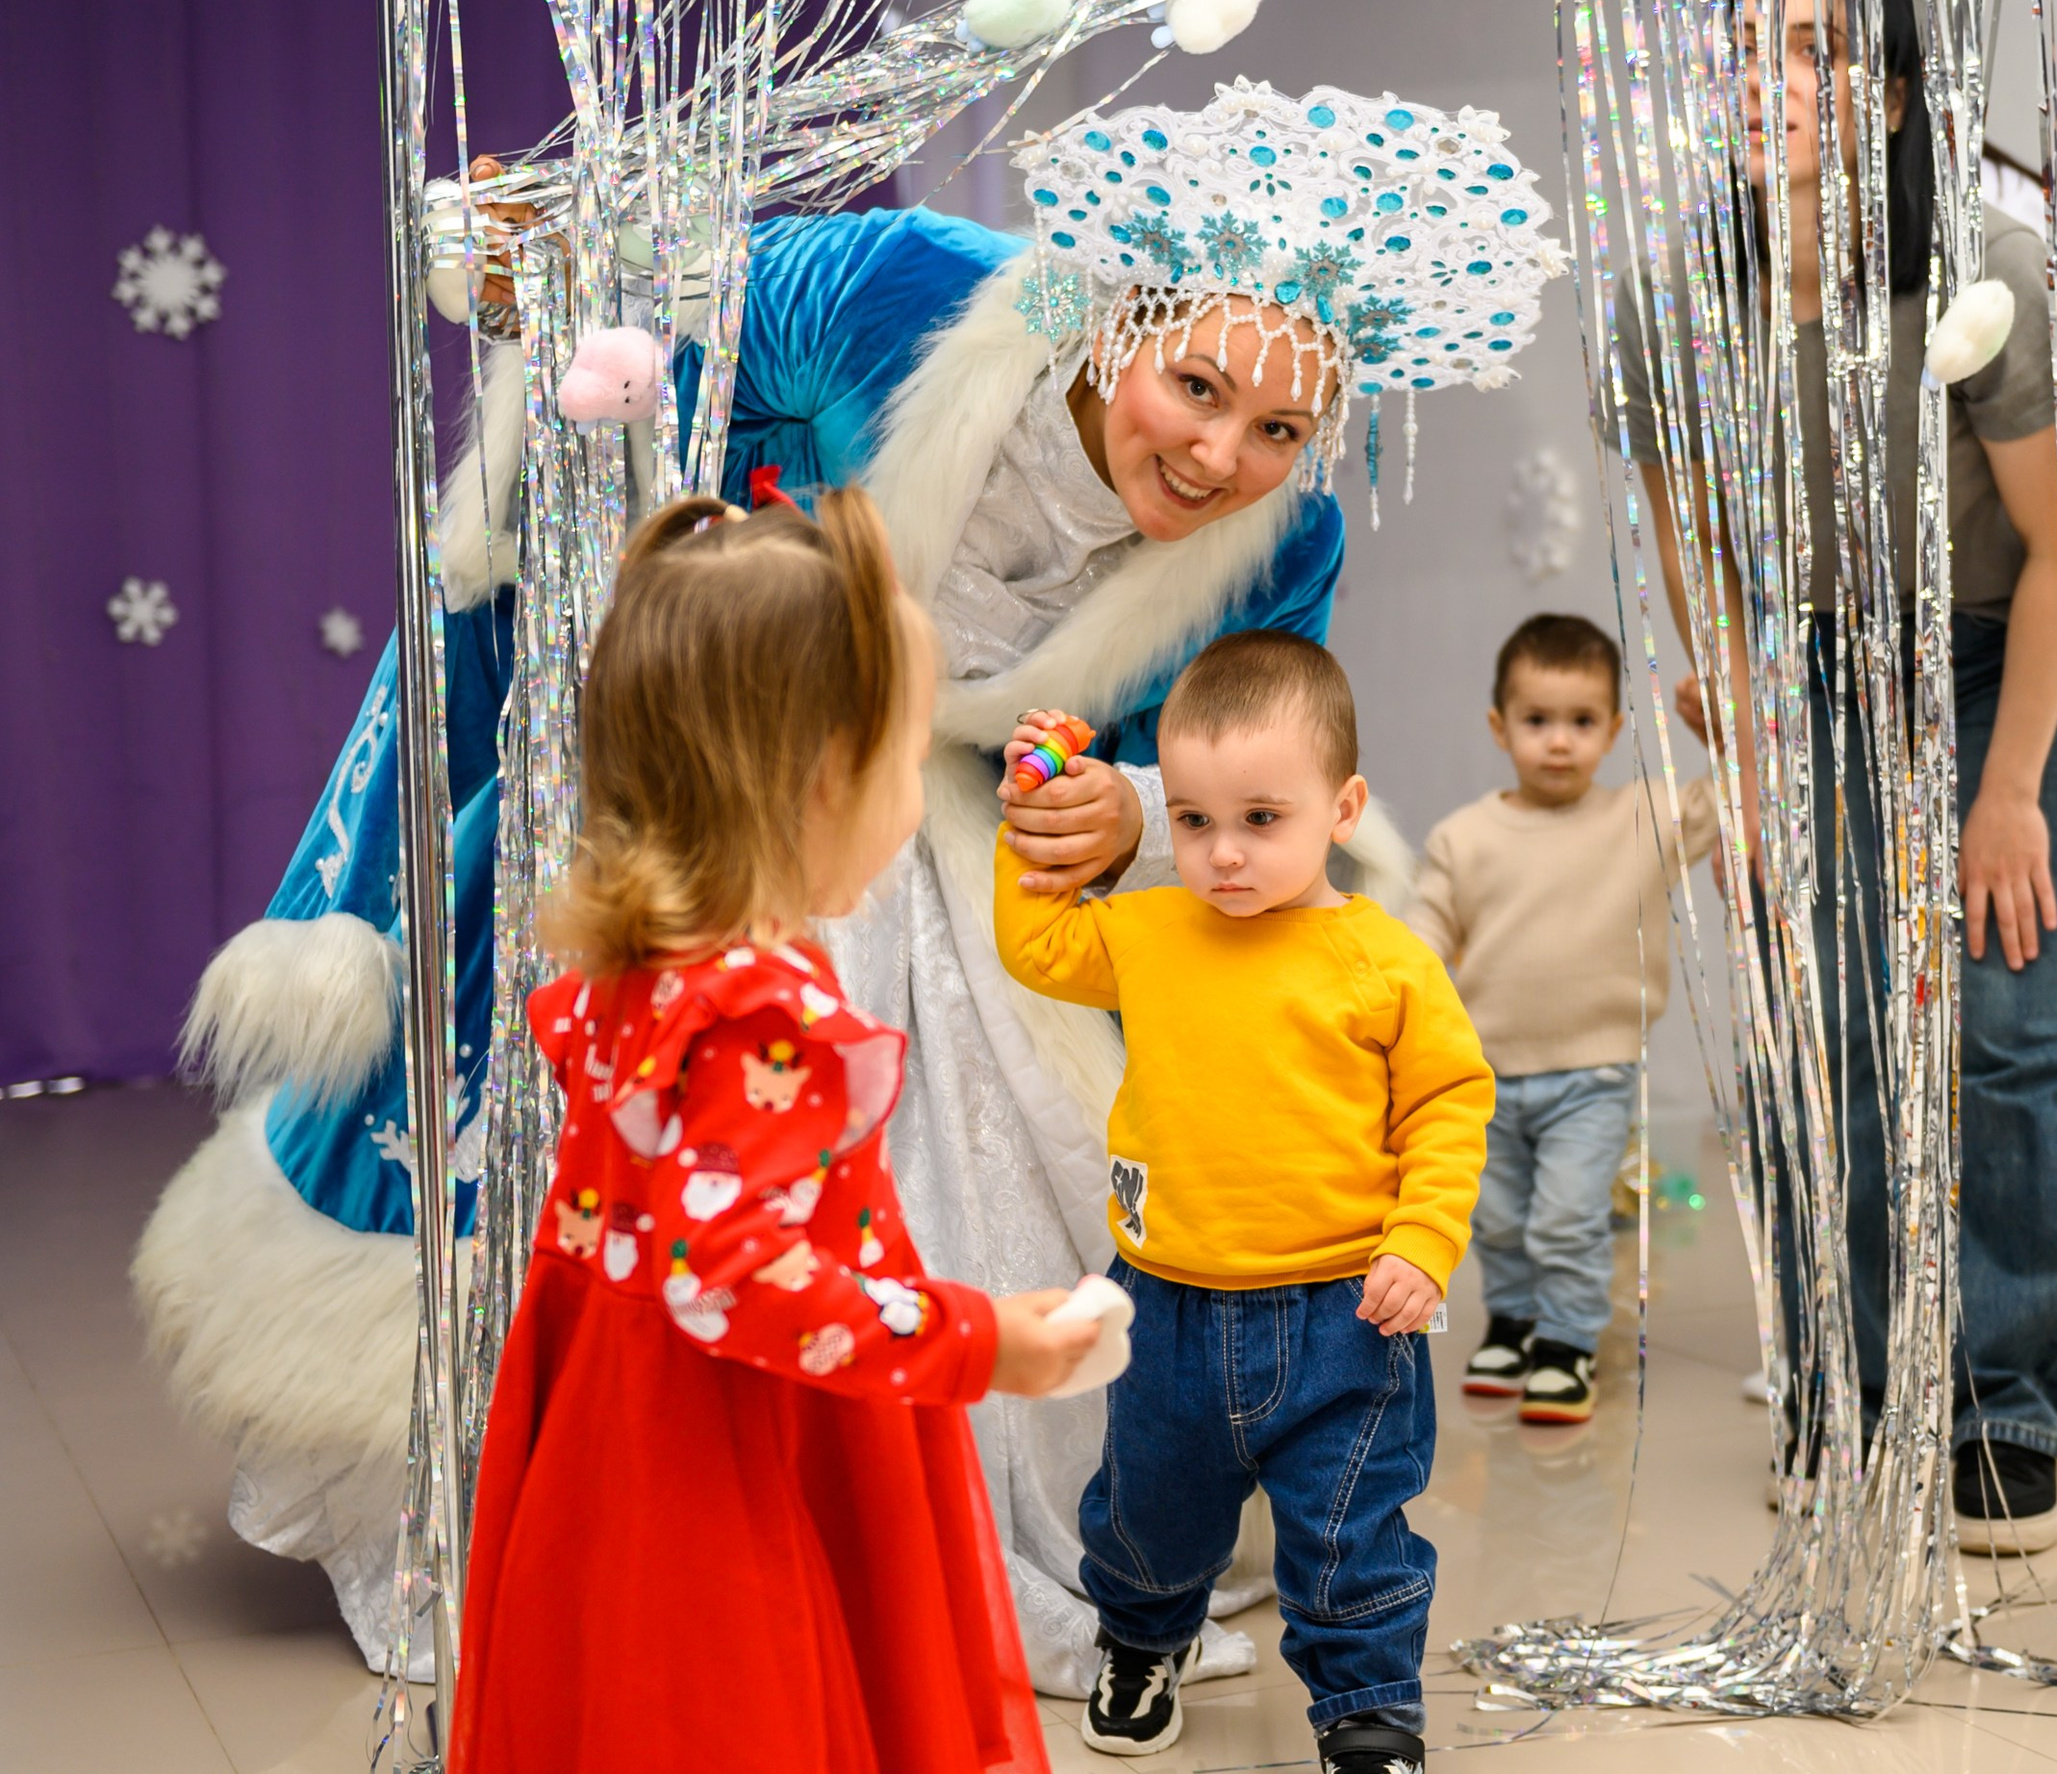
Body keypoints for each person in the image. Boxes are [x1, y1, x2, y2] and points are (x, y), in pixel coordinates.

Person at [136, 81, 1562, 1684]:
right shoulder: (901, 291)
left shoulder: (1275, 547)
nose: (1225, 453)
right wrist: (554, 283)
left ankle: (928, 1538)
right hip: (716, 777)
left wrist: (1137, 805)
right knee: (644, 1174)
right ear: (1114, 322)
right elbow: (637, 344)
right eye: (1199, 386)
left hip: (921, 831)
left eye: (1281, 430)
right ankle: (577, 1514)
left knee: (1004, 1149)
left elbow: (1252, 748)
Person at [454, 487, 1099, 1772]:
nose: (915, 803)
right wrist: (986, 1340)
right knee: (742, 1708)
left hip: (616, 1438)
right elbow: (741, 1278)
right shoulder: (762, 1013)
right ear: (814, 780)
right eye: (905, 764)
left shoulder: (642, 969)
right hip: (737, 1455)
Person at [1622, 0, 2057, 1553]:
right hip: (1821, 662)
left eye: (1815, 50)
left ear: (1894, 95)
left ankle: (2003, 1398)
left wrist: (2011, 787)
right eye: (1745, 49)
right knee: (1817, 1030)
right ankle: (1849, 1376)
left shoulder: (1991, 271)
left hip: (1994, 650)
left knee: (2007, 1027)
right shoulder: (1682, 284)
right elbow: (1693, 526)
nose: (1769, 82)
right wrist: (1757, 728)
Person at [993, 633, 1495, 1774]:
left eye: (1261, 819)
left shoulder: (1383, 957)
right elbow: (1037, 946)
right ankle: (1139, 1639)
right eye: (1193, 821)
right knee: (1144, 1511)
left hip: (1346, 1315)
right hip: (1166, 1302)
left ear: (1343, 806)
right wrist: (1029, 808)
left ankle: (1369, 1707)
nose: (1222, 855)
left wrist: (1422, 1239)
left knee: (1348, 1529)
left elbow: (1450, 1104)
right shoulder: (1155, 927)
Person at [1407, 613, 1716, 1426]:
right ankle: (1512, 1322)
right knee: (1499, 1218)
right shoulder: (1464, 837)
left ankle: (1569, 1343)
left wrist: (1722, 734)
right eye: (1537, 721)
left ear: (1614, 730)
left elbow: (1725, 808)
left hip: (1594, 1071)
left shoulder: (1639, 818)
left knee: (1568, 1217)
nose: (1558, 743)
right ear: (1499, 726)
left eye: (1582, 723)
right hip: (1484, 1074)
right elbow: (1418, 938)